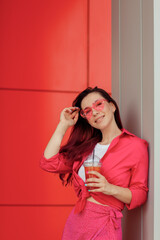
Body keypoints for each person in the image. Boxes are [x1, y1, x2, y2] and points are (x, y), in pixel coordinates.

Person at [40, 86, 149, 240]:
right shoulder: (85, 148)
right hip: (76, 224)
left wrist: (109, 188)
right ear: (87, 119)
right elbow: (48, 163)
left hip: (106, 224)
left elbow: (140, 194)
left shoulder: (136, 146)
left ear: (112, 106)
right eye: (88, 111)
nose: (95, 112)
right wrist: (63, 125)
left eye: (98, 104)